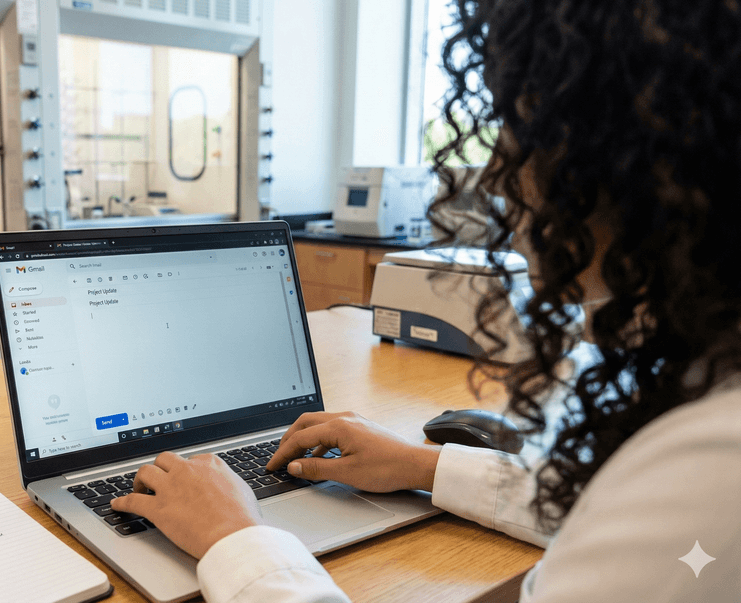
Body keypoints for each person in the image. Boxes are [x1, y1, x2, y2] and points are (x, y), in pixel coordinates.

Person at [111, 0, 741, 600]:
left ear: (630, 160)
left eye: (520, 128)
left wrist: (235, 539)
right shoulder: (707, 396)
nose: (500, 174)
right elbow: (610, 518)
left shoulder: (714, 461)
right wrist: (423, 465)